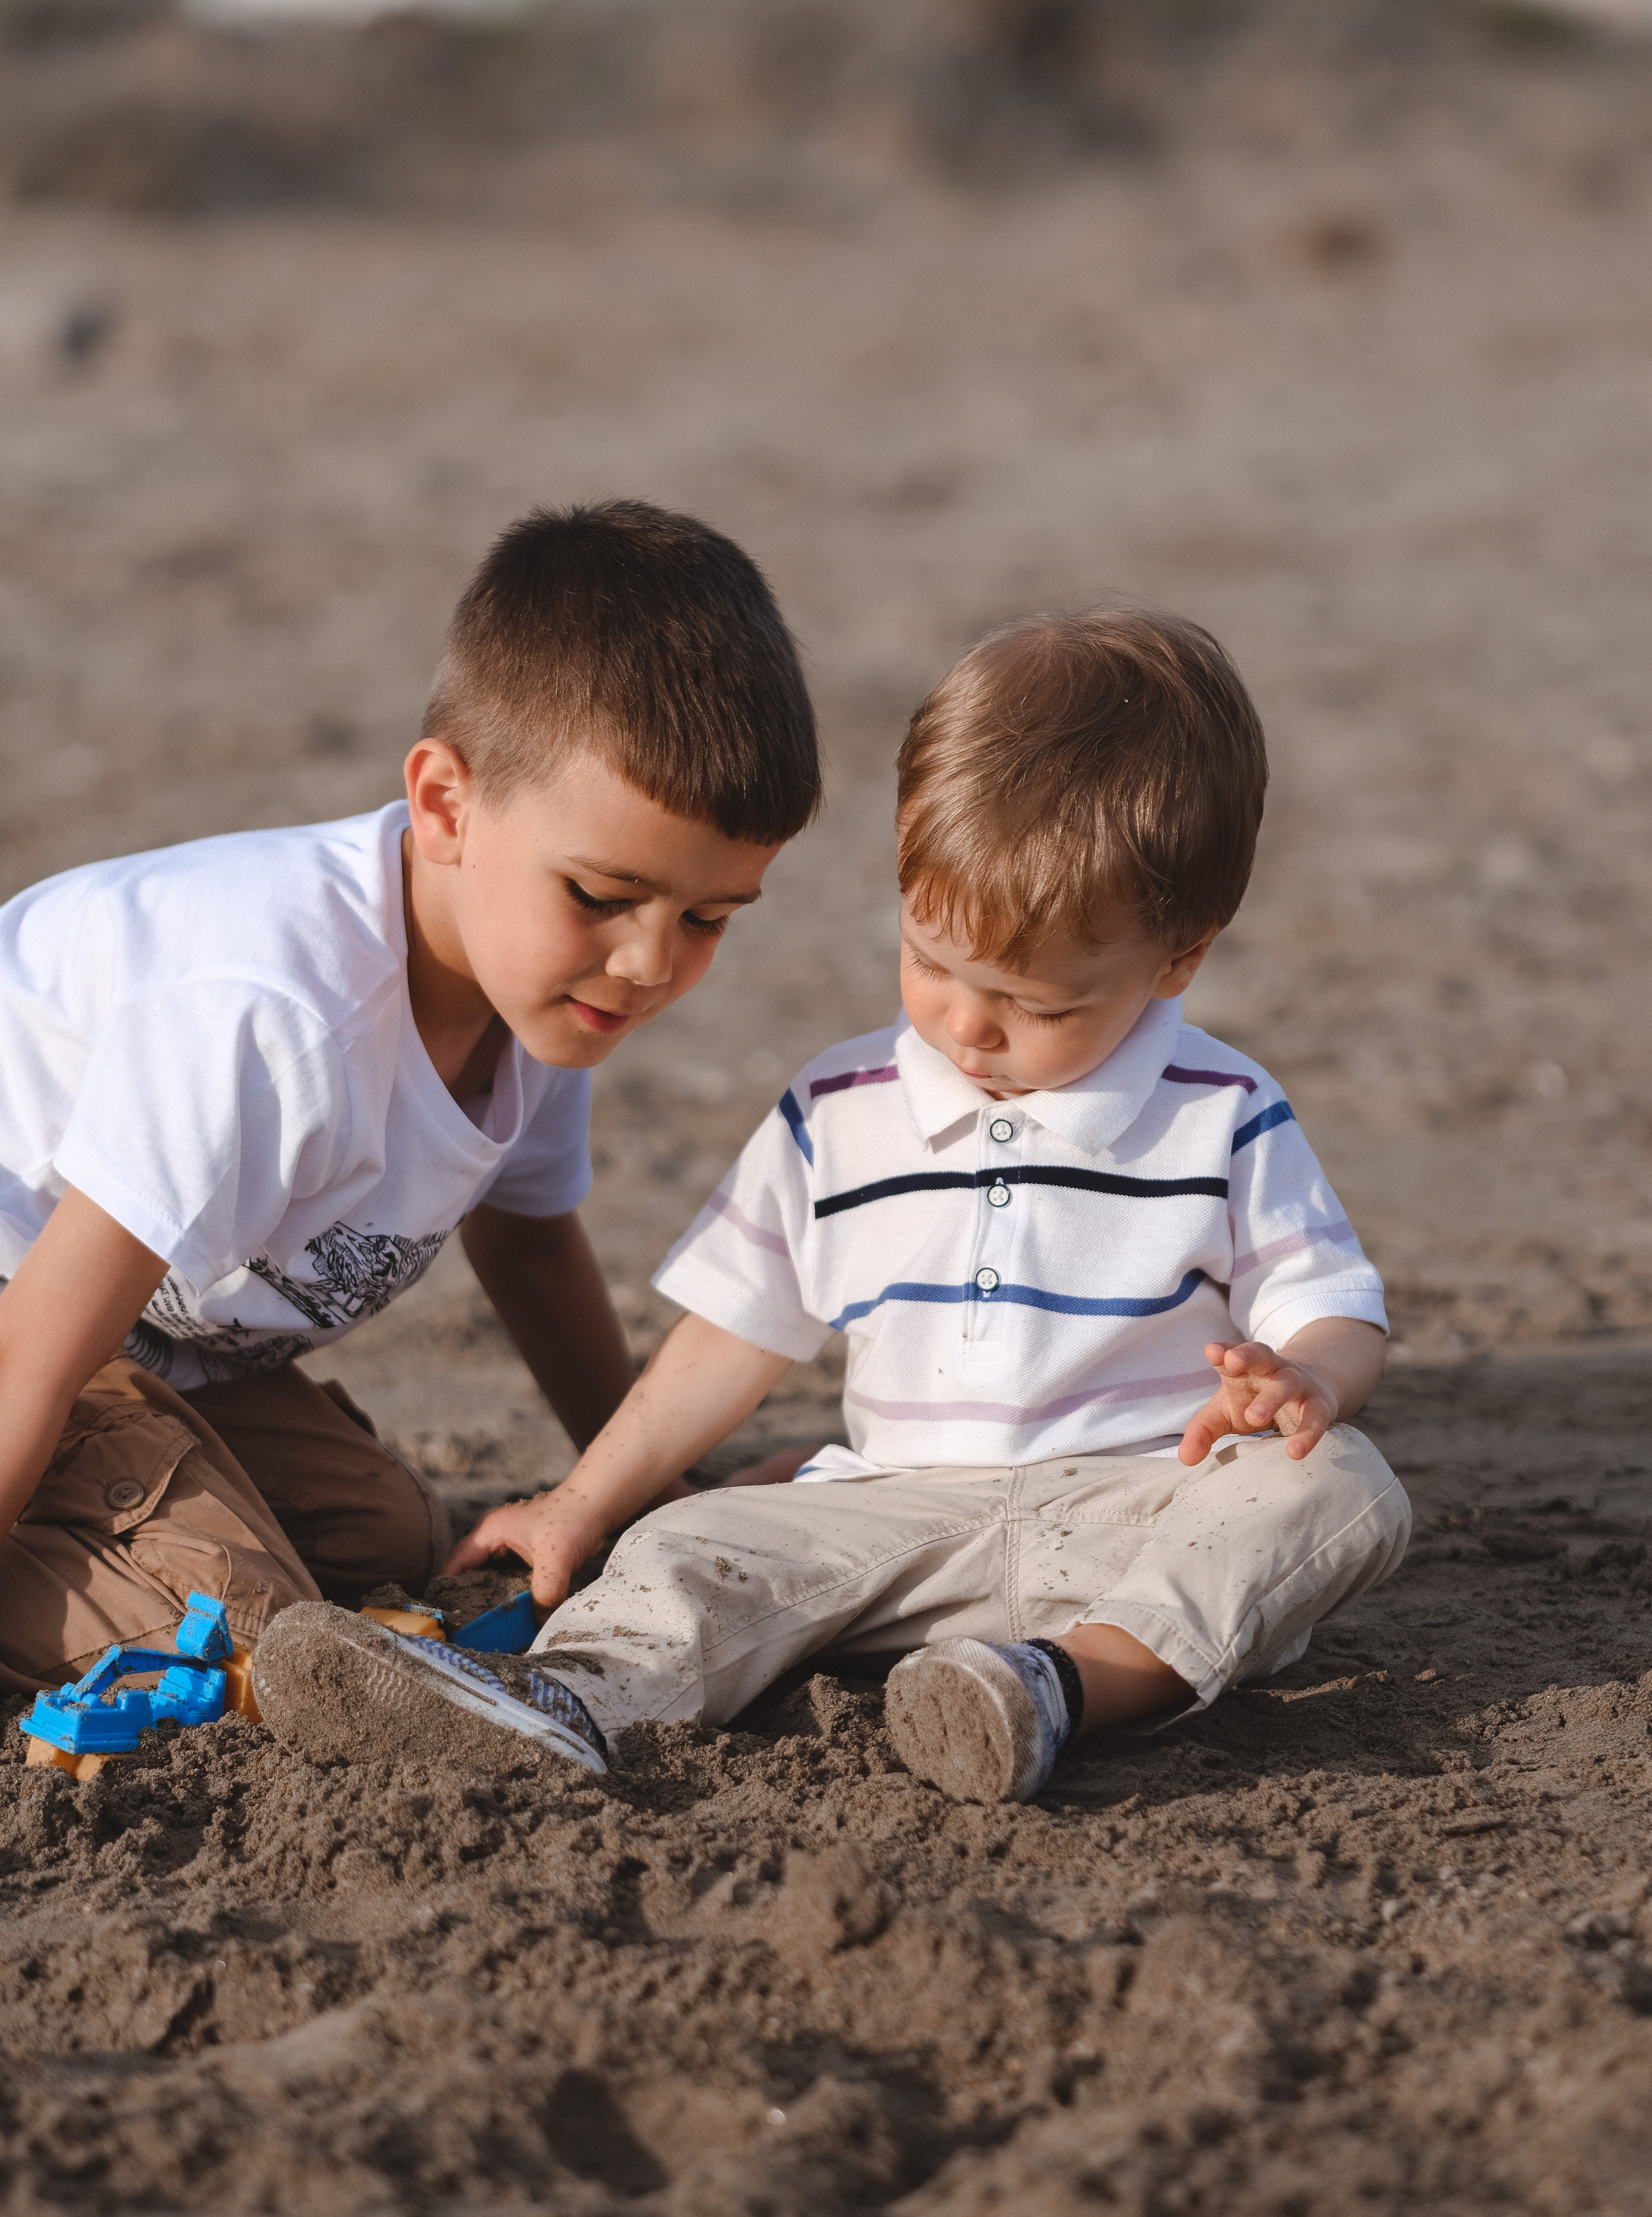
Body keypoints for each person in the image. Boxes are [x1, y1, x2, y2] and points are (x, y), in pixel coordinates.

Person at [258, 608, 1410, 1807]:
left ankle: (1051, 1692)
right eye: (931, 963)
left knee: (1339, 1488)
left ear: (1178, 957)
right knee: (689, 1543)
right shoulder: (839, 1109)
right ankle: (564, 1703)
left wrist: (1307, 1380)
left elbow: (1333, 1304)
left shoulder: (1224, 1112)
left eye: (1036, 1005)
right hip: (892, 1516)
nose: (968, 1026)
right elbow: (733, 1335)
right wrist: (582, 1502)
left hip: (1139, 1508)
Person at [0, 501, 821, 1698]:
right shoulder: (269, 1010)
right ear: (445, 804)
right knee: (234, 1640)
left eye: (707, 920)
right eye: (600, 895)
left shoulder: (538, 999)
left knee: (388, 1537)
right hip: (31, 1305)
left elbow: (530, 1246)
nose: (649, 965)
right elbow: (37, 1349)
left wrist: (643, 1497)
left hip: (149, 1346)